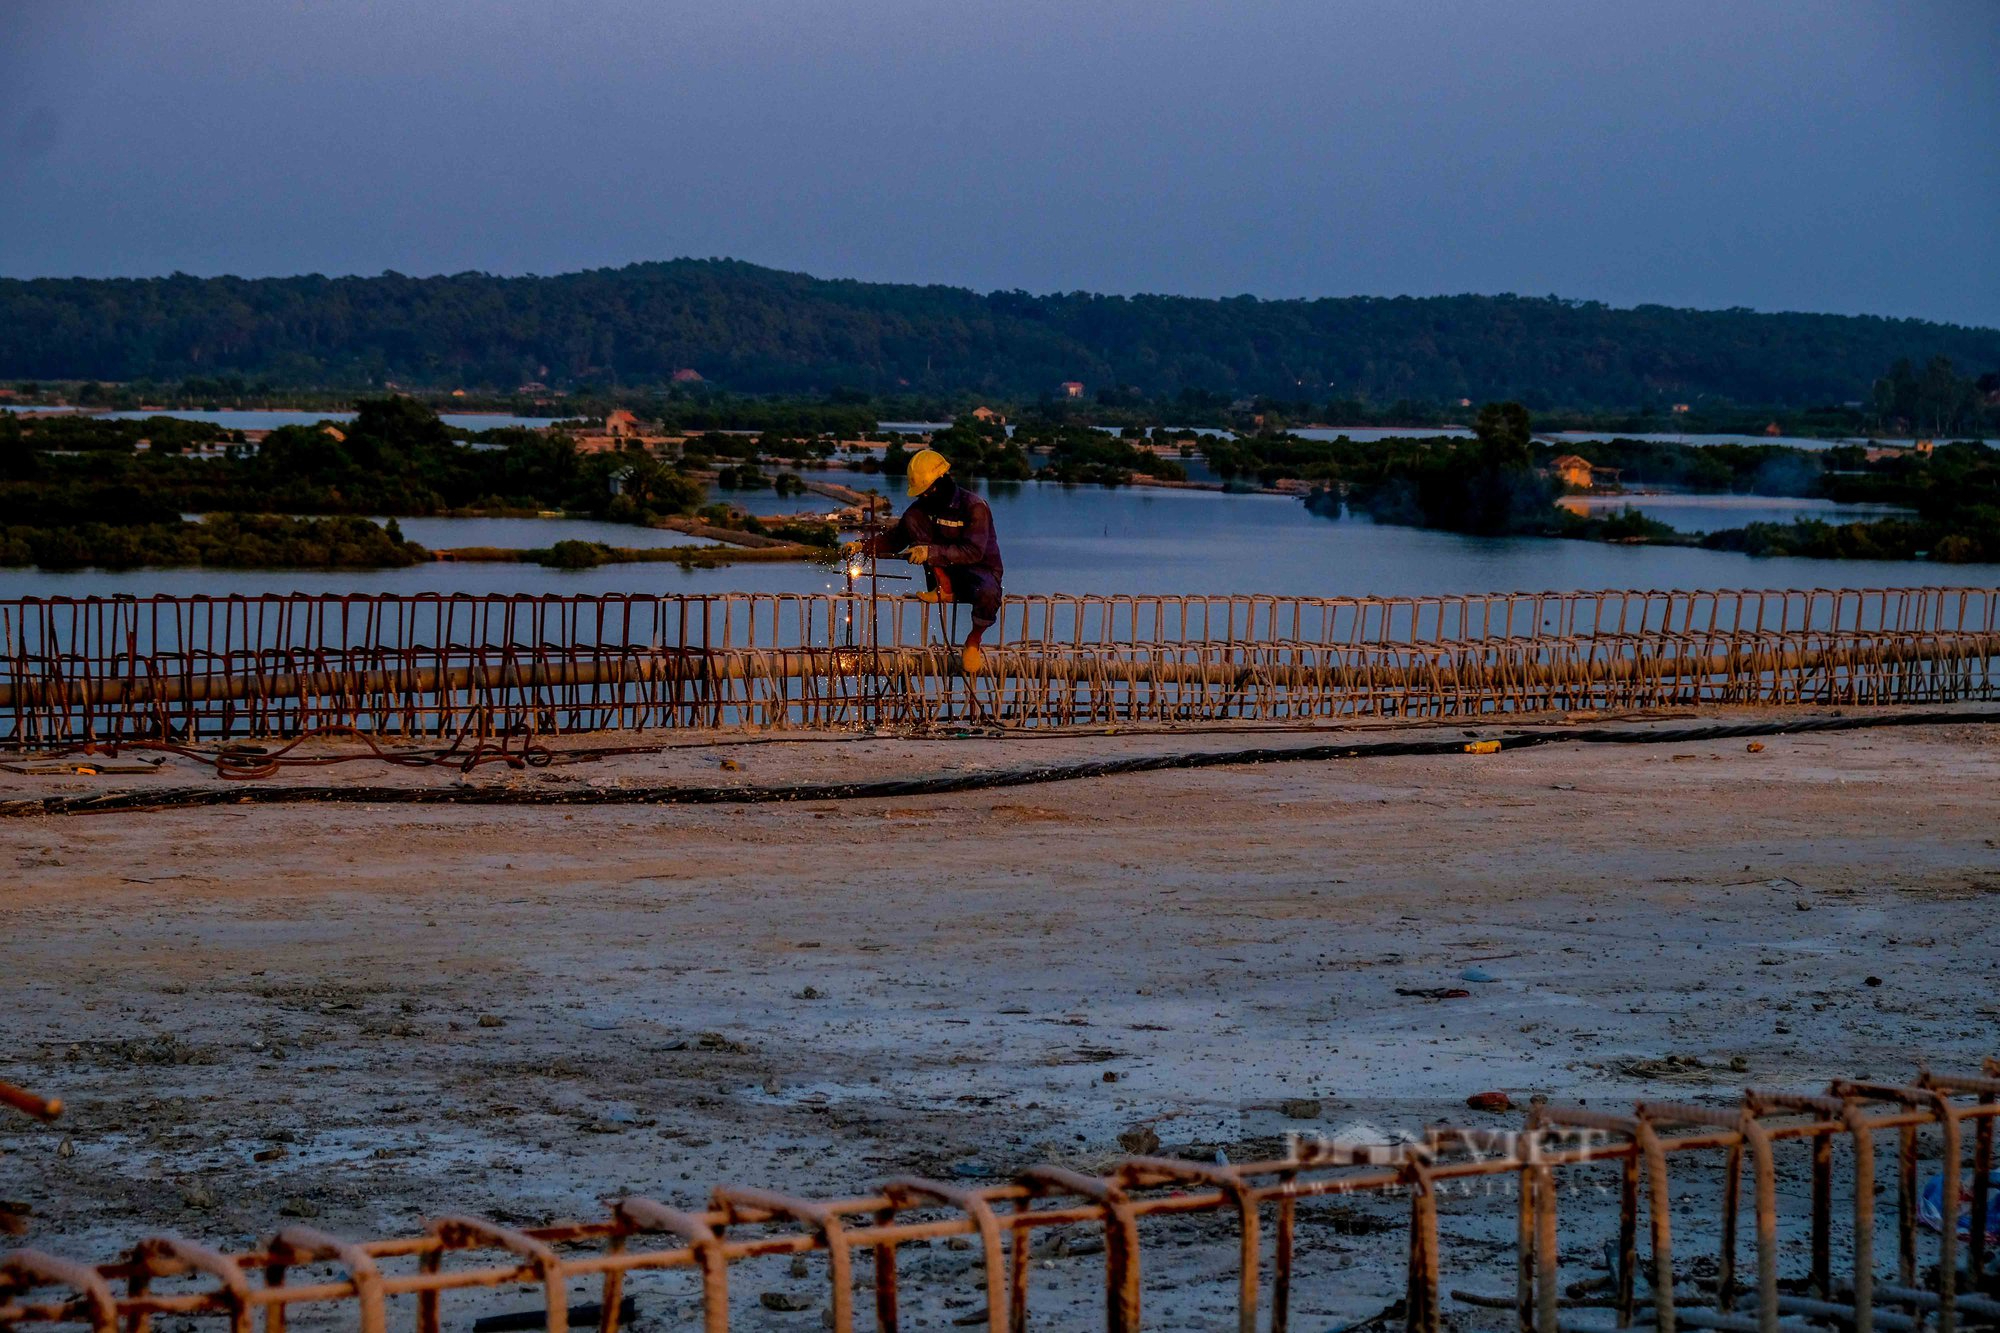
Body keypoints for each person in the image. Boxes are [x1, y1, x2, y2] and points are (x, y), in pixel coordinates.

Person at [851, 448, 1003, 671]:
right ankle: (944, 586)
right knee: (912, 519)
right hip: (947, 572)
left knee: (989, 594)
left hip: (979, 572)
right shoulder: (922, 509)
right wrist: (862, 547)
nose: (924, 496)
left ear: (942, 482)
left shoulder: (974, 507)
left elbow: (973, 551)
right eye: (921, 492)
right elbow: (896, 538)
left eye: (927, 490)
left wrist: (929, 552)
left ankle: (973, 641)